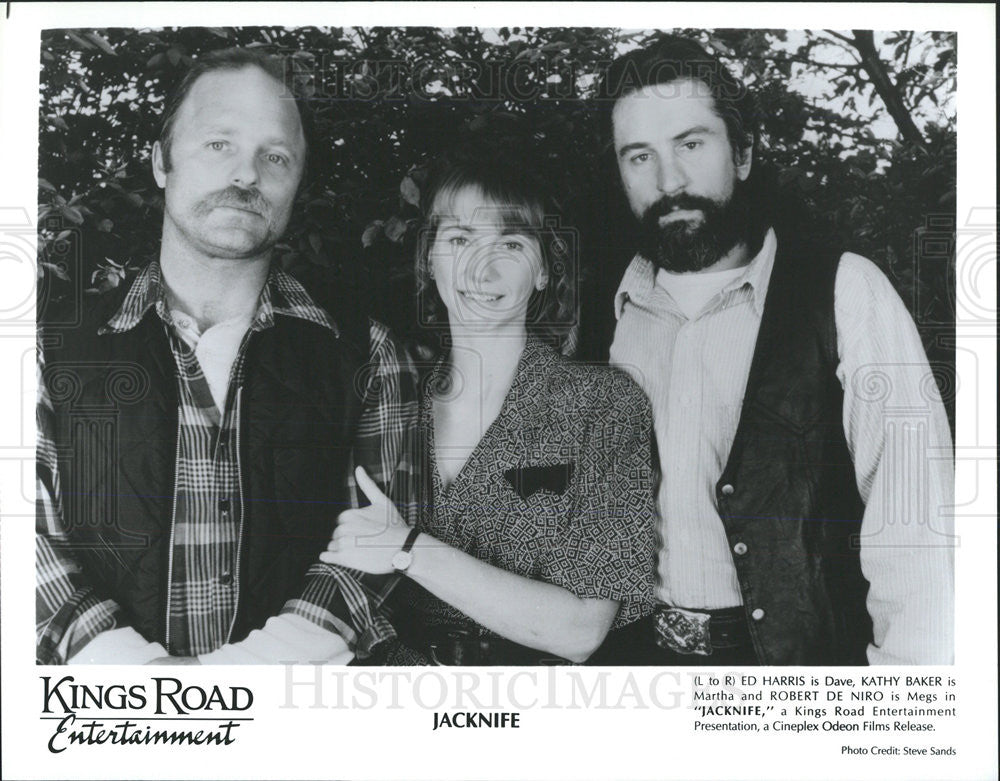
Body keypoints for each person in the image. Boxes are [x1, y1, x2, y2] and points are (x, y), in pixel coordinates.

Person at [36, 48, 418, 665]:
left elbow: (377, 551)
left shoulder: (367, 355)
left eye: (275, 155)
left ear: (298, 180)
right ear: (162, 160)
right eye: (219, 144)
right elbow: (22, 539)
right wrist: (140, 680)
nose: (247, 175)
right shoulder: (47, 349)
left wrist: (242, 683)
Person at [592, 36, 954, 665]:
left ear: (745, 153)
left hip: (797, 676)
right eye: (639, 156)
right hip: (635, 673)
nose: (669, 180)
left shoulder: (844, 291)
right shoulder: (602, 315)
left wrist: (901, 719)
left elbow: (920, 535)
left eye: (691, 144)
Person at [321, 149, 656, 664]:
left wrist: (405, 547)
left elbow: (581, 630)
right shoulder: (388, 401)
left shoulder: (603, 405)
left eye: (512, 242)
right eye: (459, 240)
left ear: (544, 271)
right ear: (429, 261)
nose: (483, 265)